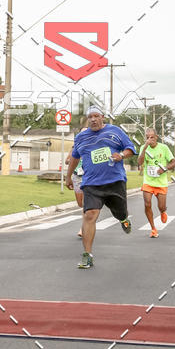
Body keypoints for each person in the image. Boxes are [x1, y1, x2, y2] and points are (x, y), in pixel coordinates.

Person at [66, 105, 136, 269]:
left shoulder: (115, 131)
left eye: (96, 116)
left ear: (102, 117)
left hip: (114, 181)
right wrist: (68, 176)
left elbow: (131, 149)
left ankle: (123, 219)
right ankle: (87, 255)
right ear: (87, 119)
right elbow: (75, 158)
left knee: (120, 212)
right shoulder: (81, 137)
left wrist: (121, 155)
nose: (93, 119)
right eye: (90, 117)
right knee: (89, 215)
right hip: (91, 183)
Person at [138, 129, 175, 237]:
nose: (150, 140)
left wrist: (164, 168)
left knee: (161, 206)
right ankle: (153, 229)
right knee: (147, 204)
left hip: (161, 183)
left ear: (156, 137)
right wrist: (144, 148)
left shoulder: (164, 148)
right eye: (147, 137)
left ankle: (163, 212)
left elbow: (174, 163)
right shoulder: (143, 148)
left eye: (152, 137)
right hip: (148, 181)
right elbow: (139, 163)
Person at [65, 153, 85, 236]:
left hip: (87, 176)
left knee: (86, 204)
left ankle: (83, 228)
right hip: (77, 177)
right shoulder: (74, 148)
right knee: (80, 204)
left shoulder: (91, 145)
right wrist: (74, 160)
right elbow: (66, 161)